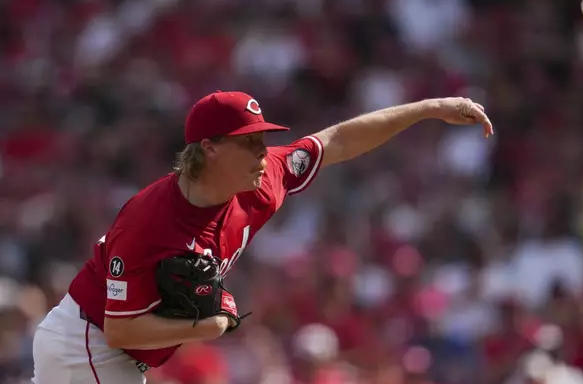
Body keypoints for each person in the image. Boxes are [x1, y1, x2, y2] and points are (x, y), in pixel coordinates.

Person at [31, 90, 493, 384]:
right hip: (86, 346)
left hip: (117, 358)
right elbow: (120, 327)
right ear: (209, 149)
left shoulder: (265, 179)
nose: (262, 151)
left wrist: (430, 109)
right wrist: (209, 326)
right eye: (249, 141)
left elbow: (337, 140)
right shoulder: (150, 221)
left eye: (263, 139)